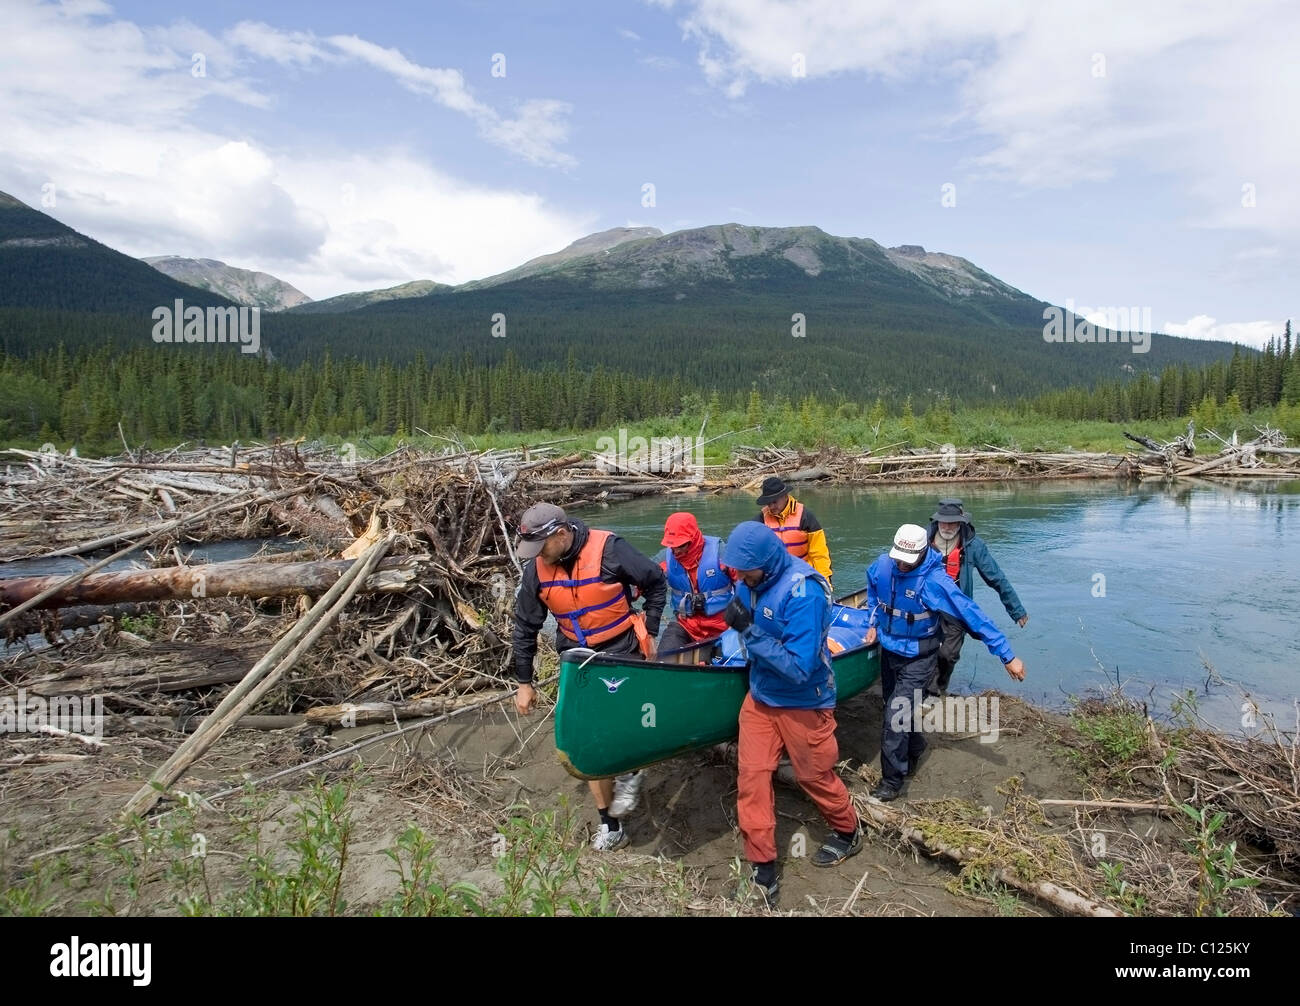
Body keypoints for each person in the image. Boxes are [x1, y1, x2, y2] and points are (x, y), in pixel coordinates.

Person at [510, 502, 667, 851]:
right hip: (578, 659)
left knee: (623, 725)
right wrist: (524, 682)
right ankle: (611, 827)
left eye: (541, 547)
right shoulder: (537, 570)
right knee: (588, 738)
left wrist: (652, 627)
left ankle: (631, 769)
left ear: (561, 534)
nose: (537, 556)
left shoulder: (610, 549)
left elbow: (656, 582)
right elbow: (524, 628)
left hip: (622, 649)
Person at [721, 521, 863, 907]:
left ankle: (848, 830)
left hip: (804, 699)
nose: (739, 577)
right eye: (735, 570)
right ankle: (762, 871)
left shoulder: (805, 592)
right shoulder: (747, 582)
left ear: (766, 563)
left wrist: (748, 631)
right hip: (762, 697)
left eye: (744, 570)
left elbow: (800, 667)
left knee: (813, 775)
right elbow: (744, 622)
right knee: (751, 778)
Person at [865, 524, 1026, 802]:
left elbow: (971, 614)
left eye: (907, 559)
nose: (901, 564)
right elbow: (873, 593)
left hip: (920, 655)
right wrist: (873, 621)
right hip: (890, 650)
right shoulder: (881, 566)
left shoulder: (934, 582)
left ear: (922, 551)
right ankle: (914, 749)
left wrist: (1007, 655)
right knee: (897, 708)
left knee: (895, 716)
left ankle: (891, 782)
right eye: (898, 558)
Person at [926, 498, 1028, 697]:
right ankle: (923, 689)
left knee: (948, 654)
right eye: (943, 522)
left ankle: (937, 688)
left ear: (961, 522)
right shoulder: (923, 539)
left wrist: (1016, 609)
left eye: (952, 522)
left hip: (956, 607)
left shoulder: (973, 545)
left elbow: (996, 577)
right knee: (924, 648)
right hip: (926, 604)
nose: (946, 527)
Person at [657, 512, 738, 653]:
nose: (675, 551)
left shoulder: (721, 553)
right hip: (686, 625)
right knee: (664, 656)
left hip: (724, 627)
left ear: (693, 539)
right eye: (672, 545)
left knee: (729, 661)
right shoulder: (665, 557)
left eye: (680, 545)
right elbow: (644, 577)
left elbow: (747, 585)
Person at [752, 476, 833, 585]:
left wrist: (825, 583)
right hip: (774, 578)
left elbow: (820, 555)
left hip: (802, 576)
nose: (771, 507)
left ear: (785, 496)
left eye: (774, 502)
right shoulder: (761, 519)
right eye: (768, 503)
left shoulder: (805, 516)